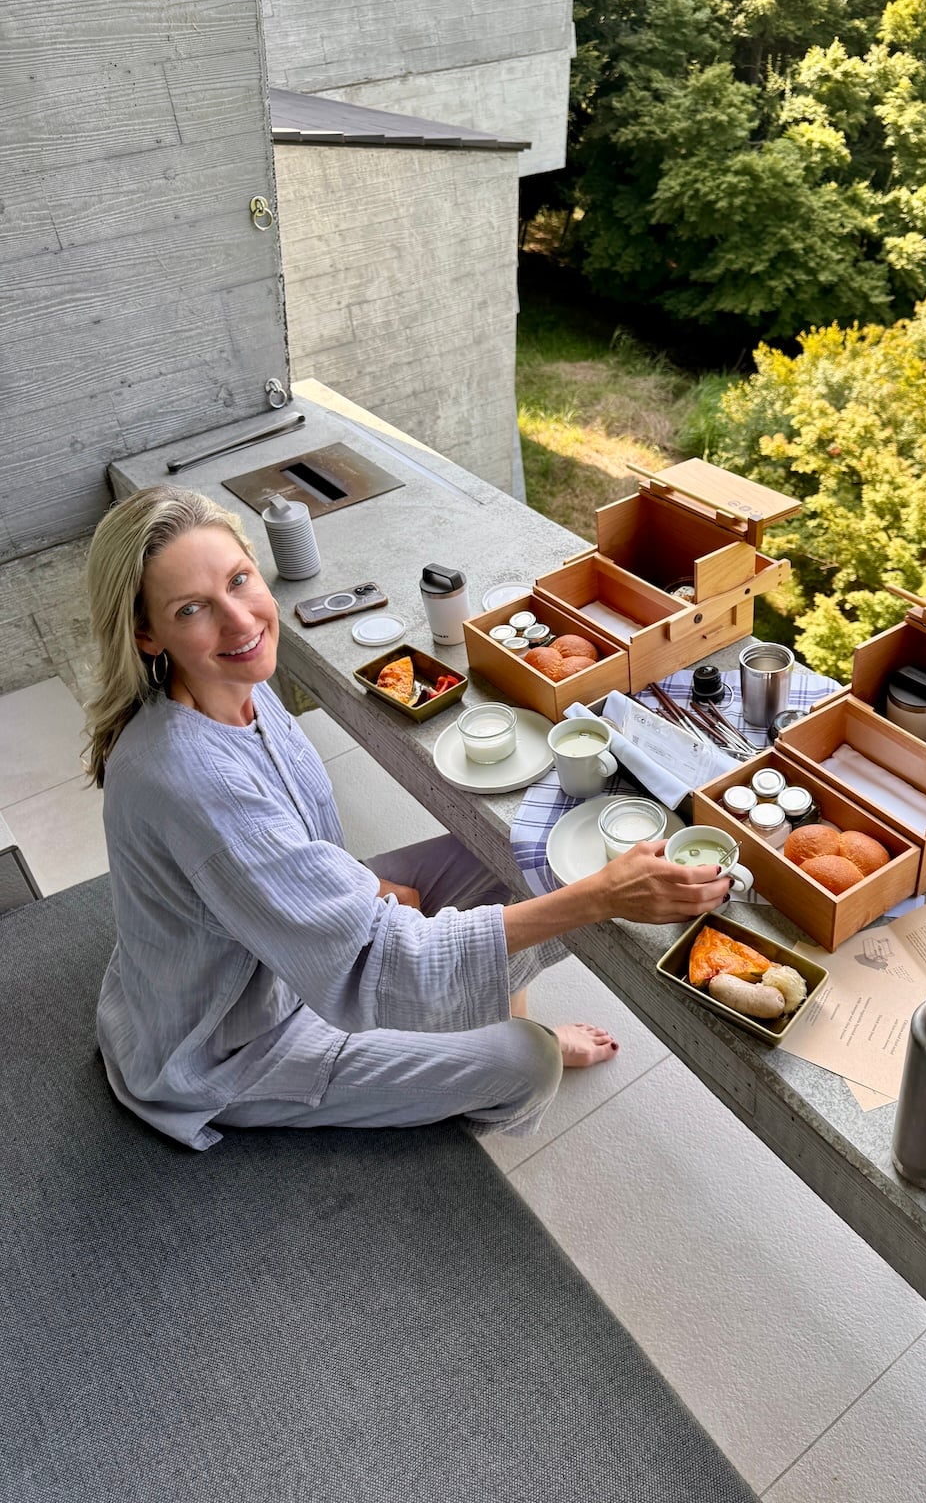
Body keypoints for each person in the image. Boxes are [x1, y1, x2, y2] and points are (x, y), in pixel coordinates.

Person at [84, 486, 729, 1150]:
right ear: (146, 633)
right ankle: (505, 1038)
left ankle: (485, 1014)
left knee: (524, 853)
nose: (239, 621)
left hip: (278, 942)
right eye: (192, 608)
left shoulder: (230, 685)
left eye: (239, 581)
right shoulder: (192, 780)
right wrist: (600, 900)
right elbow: (370, 963)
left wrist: (368, 897)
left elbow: (296, 867)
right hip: (236, 1040)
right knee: (528, 1061)